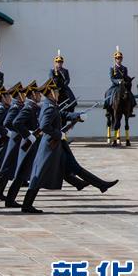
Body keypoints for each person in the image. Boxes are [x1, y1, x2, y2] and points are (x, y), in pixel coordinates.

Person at [22, 79, 118, 213]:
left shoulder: (52, 105)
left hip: (57, 146)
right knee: (39, 175)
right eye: (55, 91)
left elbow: (63, 114)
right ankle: (26, 205)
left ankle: (101, 185)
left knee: (75, 167)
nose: (57, 93)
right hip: (50, 146)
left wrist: (78, 115)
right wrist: (58, 134)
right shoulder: (48, 107)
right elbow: (44, 126)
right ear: (50, 93)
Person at [104, 46, 137, 116]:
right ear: (115, 59)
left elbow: (125, 76)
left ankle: (131, 109)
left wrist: (129, 79)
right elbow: (112, 78)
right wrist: (118, 81)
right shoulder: (112, 68)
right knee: (108, 93)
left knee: (130, 95)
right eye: (117, 58)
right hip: (115, 86)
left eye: (120, 58)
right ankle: (107, 109)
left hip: (123, 85)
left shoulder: (124, 68)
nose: (119, 59)